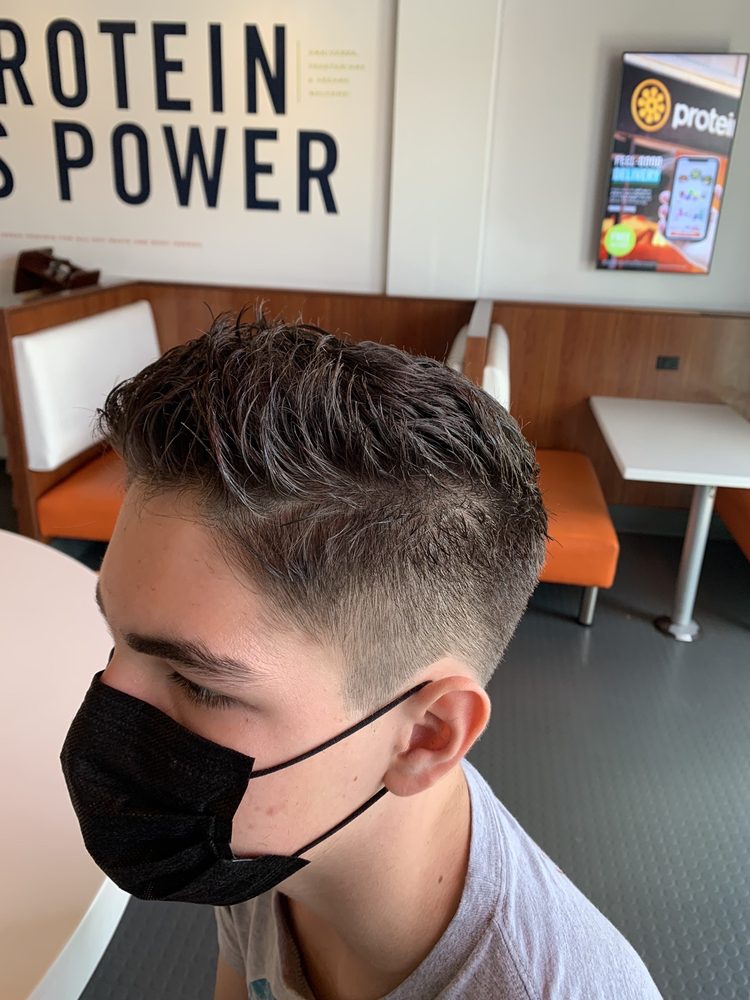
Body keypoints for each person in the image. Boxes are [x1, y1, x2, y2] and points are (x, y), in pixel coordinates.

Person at [60, 311, 663, 1000]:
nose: (105, 710)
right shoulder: (271, 841)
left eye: (198, 685)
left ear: (427, 736)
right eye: (116, 639)